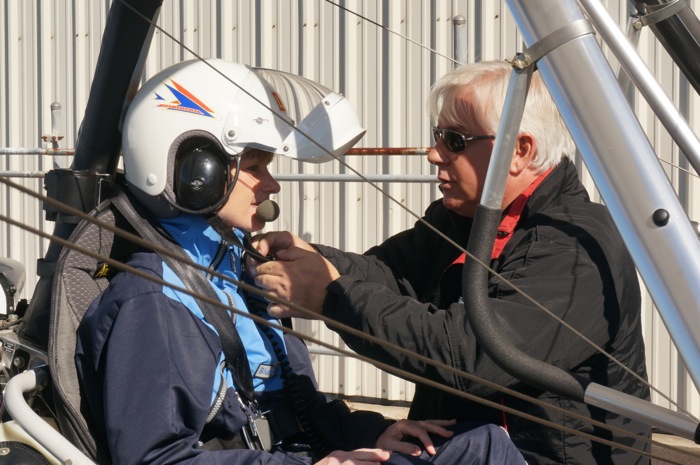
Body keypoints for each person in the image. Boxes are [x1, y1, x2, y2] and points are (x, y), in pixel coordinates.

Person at [74, 58, 526, 465]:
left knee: (484, 445)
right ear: (197, 172)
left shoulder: (234, 269)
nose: (272, 186)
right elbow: (157, 458)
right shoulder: (151, 300)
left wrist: (375, 432)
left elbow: (296, 408)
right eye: (256, 166)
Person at [248, 60, 652, 465]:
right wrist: (308, 257)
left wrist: (330, 296)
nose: (432, 154)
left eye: (455, 140)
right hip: (469, 449)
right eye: (437, 135)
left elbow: (471, 356)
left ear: (519, 150)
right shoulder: (464, 216)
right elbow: (388, 272)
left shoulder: (575, 248)